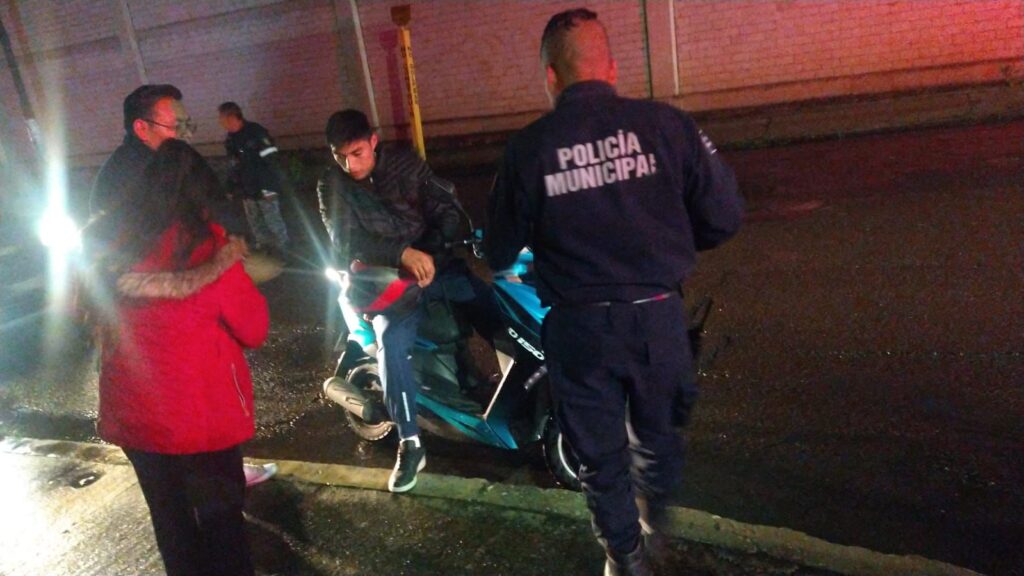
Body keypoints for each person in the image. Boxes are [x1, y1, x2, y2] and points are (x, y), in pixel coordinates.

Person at [486, 9, 743, 576]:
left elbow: (498, 249)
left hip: (580, 329)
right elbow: (724, 216)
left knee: (601, 460)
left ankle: (625, 559)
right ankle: (653, 526)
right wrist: (667, 241)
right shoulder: (667, 125)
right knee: (657, 440)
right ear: (612, 69)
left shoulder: (528, 148)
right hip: (657, 318)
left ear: (550, 76)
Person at [81, 139, 269, 576]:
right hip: (204, 422)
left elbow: (84, 312)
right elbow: (254, 329)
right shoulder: (211, 252)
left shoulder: (112, 249)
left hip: (136, 418)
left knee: (171, 523)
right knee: (224, 528)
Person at [91, 85, 276, 487]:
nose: (182, 135)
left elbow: (87, 301)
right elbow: (254, 328)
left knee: (168, 512)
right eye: (175, 126)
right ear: (141, 127)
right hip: (196, 419)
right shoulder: (201, 246)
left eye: (184, 125)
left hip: (134, 413)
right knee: (218, 511)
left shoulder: (116, 242)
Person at [317, 109, 499, 493]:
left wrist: (435, 244)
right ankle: (410, 442)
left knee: (498, 311)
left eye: (357, 153)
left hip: (438, 268)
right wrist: (401, 254)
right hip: (387, 284)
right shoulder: (331, 185)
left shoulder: (405, 165)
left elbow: (445, 206)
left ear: (374, 141)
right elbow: (346, 242)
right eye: (340, 156)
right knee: (392, 345)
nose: (350, 166)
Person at [218, 102, 290, 256]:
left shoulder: (256, 132)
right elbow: (233, 166)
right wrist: (231, 187)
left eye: (222, 119)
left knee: (273, 220)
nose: (221, 123)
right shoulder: (230, 140)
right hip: (248, 189)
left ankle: (284, 251)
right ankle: (265, 250)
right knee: (255, 222)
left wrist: (270, 185)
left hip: (266, 186)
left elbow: (272, 160)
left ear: (232, 117)